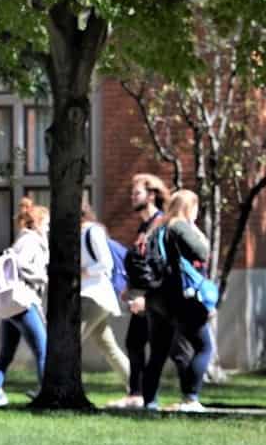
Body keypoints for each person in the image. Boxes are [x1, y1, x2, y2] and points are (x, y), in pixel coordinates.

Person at [141, 190, 214, 412]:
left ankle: (150, 402)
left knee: (157, 353)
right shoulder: (180, 226)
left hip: (155, 297)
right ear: (190, 207)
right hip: (179, 296)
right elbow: (202, 252)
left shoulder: (156, 229)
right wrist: (195, 229)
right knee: (204, 346)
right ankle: (190, 399)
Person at [0, 203, 49, 406]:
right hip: (23, 303)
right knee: (44, 350)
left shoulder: (24, 239)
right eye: (47, 224)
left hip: (10, 306)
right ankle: (45, 393)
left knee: (6, 353)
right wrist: (42, 277)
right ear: (39, 223)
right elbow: (21, 263)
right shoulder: (31, 240)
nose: (49, 229)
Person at [114, 174, 170, 409]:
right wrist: (129, 286)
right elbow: (140, 261)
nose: (132, 197)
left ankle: (152, 398)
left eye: (136, 193)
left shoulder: (161, 225)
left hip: (155, 297)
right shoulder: (144, 226)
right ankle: (137, 395)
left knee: (163, 349)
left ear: (151, 195)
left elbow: (161, 265)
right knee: (134, 343)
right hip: (140, 294)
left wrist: (147, 297)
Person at [81, 200, 130, 389]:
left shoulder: (93, 231)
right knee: (108, 347)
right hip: (88, 294)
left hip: (94, 296)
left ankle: (50, 384)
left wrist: (84, 271)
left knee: (68, 343)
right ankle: (137, 388)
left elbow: (106, 263)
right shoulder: (81, 233)